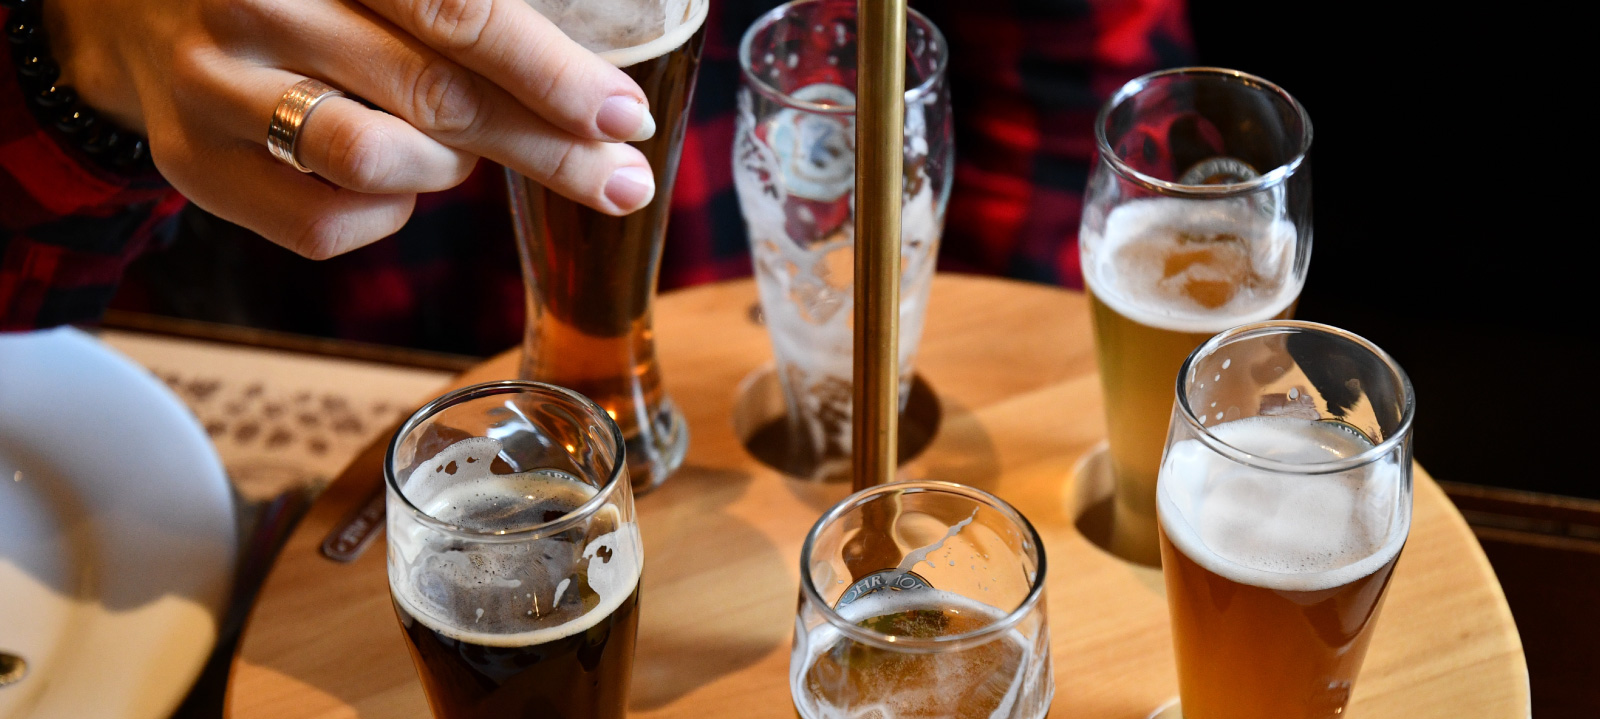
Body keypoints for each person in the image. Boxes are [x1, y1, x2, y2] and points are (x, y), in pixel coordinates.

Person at [1, 0, 1192, 348]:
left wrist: (955, 372)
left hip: (823, 391)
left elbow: (1079, 90)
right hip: (350, 460)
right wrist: (75, 58)